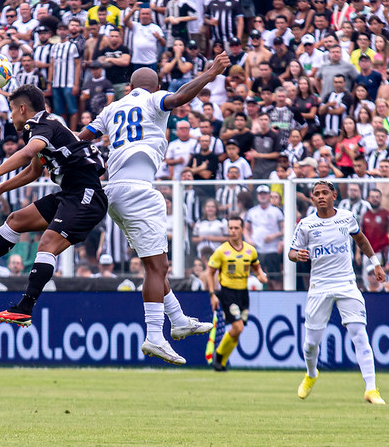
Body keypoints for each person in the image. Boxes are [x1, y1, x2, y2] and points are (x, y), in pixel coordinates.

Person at [79, 53, 230, 364]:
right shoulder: (152, 99)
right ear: (155, 86)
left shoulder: (111, 109)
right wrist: (211, 73)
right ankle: (154, 336)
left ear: (128, 87)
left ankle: (177, 320)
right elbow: (179, 97)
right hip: (140, 191)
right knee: (157, 267)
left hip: (115, 192)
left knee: (154, 263)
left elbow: (83, 138)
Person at [0, 85, 108, 328]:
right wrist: (0, 189)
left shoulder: (42, 125)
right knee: (16, 220)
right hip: (71, 194)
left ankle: (25, 308)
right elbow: (33, 170)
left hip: (87, 196)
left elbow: (28, 153)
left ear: (22, 108)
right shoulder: (46, 128)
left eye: (11, 110)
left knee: (47, 243)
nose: (10, 117)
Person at [289, 180, 386, 405]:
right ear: (312, 199)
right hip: (319, 286)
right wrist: (298, 256)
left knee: (360, 335)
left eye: (325, 193)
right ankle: (311, 374)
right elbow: (291, 252)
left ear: (334, 195)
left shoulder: (346, 217)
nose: (321, 196)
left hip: (346, 283)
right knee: (311, 343)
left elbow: (360, 239)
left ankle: (371, 389)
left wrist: (376, 264)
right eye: (316, 194)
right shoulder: (306, 224)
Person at [206, 214, 267, 371]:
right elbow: (210, 272)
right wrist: (212, 294)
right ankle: (219, 355)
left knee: (237, 332)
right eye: (230, 228)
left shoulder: (250, 251)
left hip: (243, 294)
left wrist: (260, 275)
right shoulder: (221, 251)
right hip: (227, 293)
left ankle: (221, 363)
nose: (233, 231)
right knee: (238, 327)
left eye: (236, 228)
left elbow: (255, 266)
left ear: (242, 229)